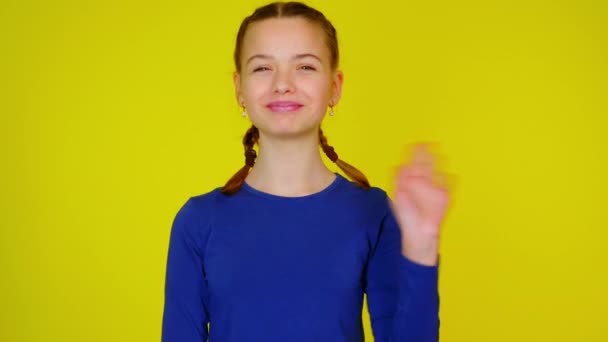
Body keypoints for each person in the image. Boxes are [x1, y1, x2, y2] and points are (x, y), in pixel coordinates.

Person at [162, 2, 450, 341]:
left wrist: (421, 246)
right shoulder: (197, 221)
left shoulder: (372, 212)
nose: (283, 84)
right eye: (262, 68)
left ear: (335, 86)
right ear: (239, 88)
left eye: (305, 67)